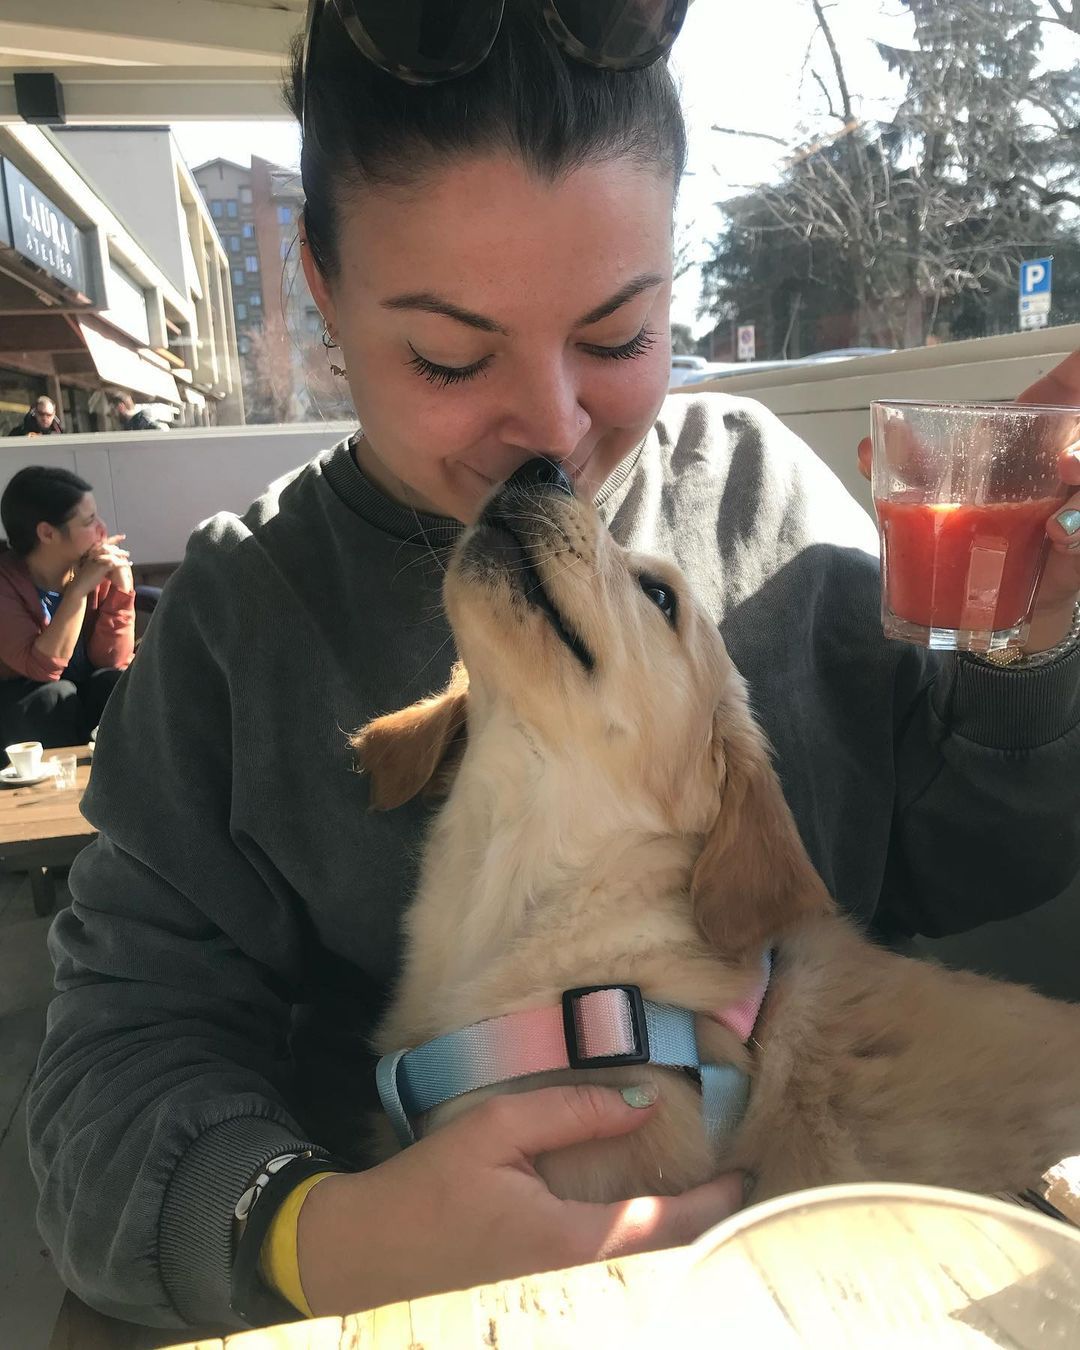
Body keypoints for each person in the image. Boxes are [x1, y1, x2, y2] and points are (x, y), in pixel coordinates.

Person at [26, 0, 1080, 1336]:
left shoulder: (760, 491)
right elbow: (107, 1081)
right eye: (449, 354)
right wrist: (324, 1232)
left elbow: (969, 865)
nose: (554, 429)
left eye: (619, 334)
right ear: (323, 289)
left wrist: (1021, 642)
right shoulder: (243, 613)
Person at [0, 466, 134, 752]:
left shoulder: (93, 569)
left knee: (114, 683)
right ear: (47, 533)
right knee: (53, 695)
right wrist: (78, 591)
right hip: (24, 713)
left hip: (77, 697)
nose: (103, 529)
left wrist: (122, 589)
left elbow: (111, 660)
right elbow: (41, 668)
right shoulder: (6, 584)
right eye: (88, 521)